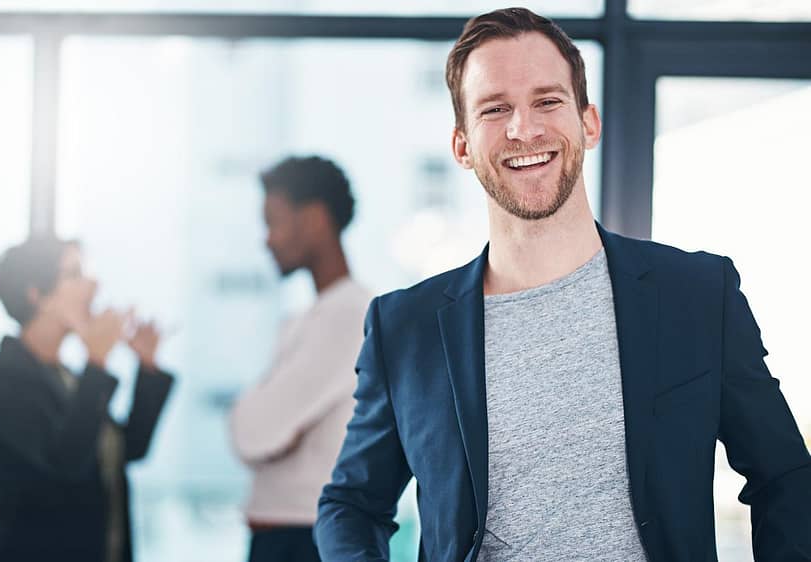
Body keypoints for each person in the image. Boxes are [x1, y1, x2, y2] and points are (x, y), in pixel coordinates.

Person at [315, 7, 811, 562]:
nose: (523, 129)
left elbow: (786, 477)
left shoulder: (696, 295)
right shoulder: (403, 327)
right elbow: (351, 505)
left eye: (547, 101)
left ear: (588, 123)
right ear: (461, 146)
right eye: (495, 108)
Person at [0, 236, 174, 562]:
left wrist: (147, 368)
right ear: (36, 294)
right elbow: (65, 466)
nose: (93, 285)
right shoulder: (4, 381)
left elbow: (126, 448)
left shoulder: (67, 377)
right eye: (75, 274)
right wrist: (96, 362)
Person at [229, 156, 372, 562]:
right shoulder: (312, 317)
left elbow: (252, 431)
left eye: (274, 222)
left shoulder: (345, 316)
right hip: (292, 540)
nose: (267, 239)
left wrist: (267, 423)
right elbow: (263, 433)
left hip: (303, 543)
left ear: (312, 220)